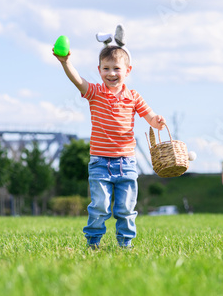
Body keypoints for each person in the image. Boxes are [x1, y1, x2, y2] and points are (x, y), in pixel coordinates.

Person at [53, 25, 166, 249]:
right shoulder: (95, 92)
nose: (111, 73)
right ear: (99, 69)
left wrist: (157, 121)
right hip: (100, 162)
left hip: (127, 162)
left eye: (116, 68)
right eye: (106, 69)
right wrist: (65, 62)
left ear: (127, 70)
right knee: (100, 206)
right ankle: (93, 243)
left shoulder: (133, 96)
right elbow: (77, 80)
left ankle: (125, 244)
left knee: (125, 208)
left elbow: (150, 116)